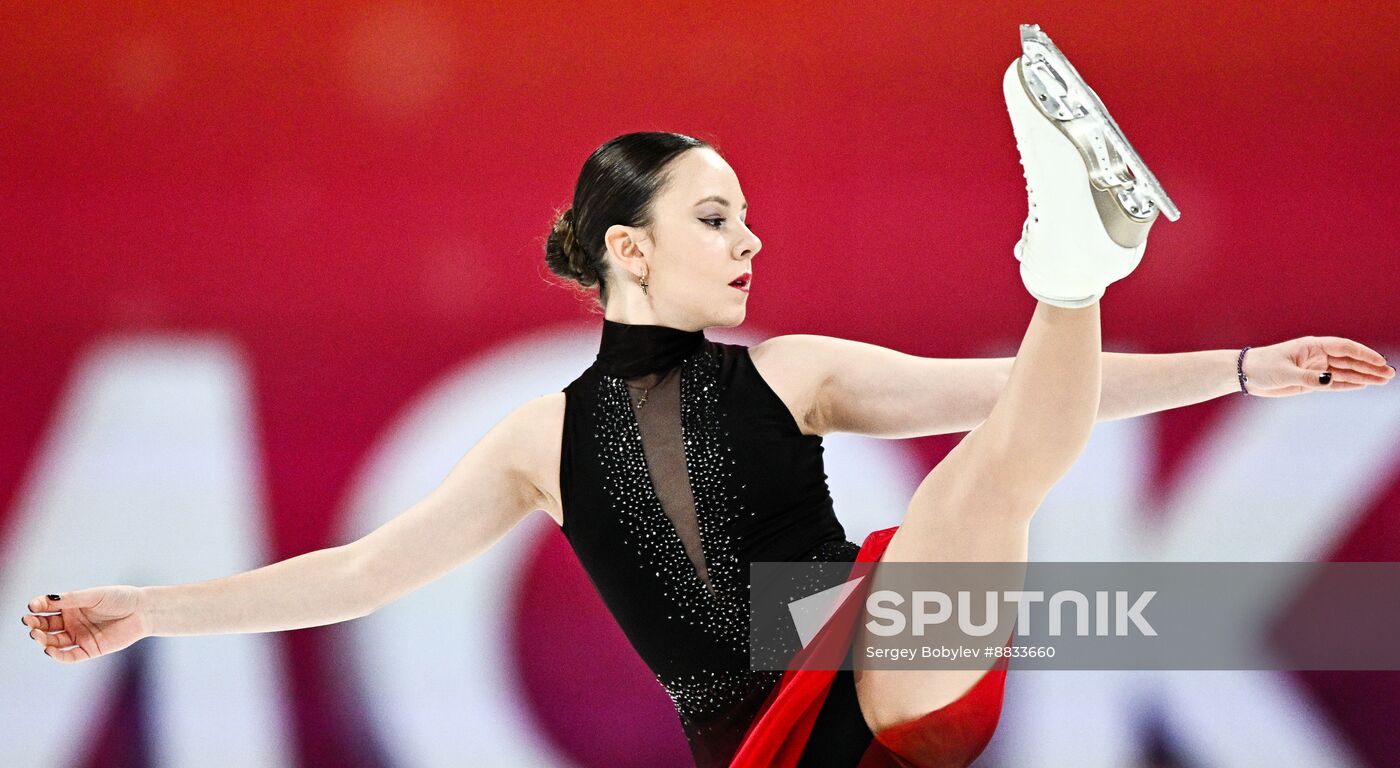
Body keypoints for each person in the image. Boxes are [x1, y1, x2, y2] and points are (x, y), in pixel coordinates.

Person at [22, 37, 1393, 768]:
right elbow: (359, 574)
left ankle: (1074, 261)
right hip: (762, 741)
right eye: (717, 216)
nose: (749, 243)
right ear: (631, 247)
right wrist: (154, 609)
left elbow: (1027, 400)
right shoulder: (535, 441)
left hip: (891, 667)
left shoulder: (795, 372)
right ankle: (1074, 262)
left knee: (976, 476)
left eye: (749, 218)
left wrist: (1242, 368)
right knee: (971, 487)